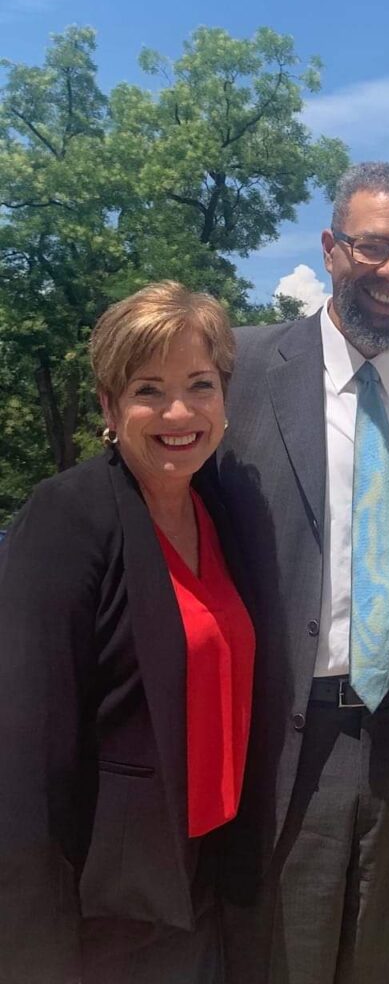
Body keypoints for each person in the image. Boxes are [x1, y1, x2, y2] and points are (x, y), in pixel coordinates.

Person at [217, 161, 389, 984]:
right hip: (285, 733)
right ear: (332, 249)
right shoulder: (240, 369)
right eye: (373, 247)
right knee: (279, 959)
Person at [0, 282, 255, 984]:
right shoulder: (67, 518)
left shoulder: (220, 509)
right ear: (110, 408)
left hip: (212, 880)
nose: (179, 412)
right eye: (149, 390)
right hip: (113, 910)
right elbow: (25, 762)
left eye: (200, 385)